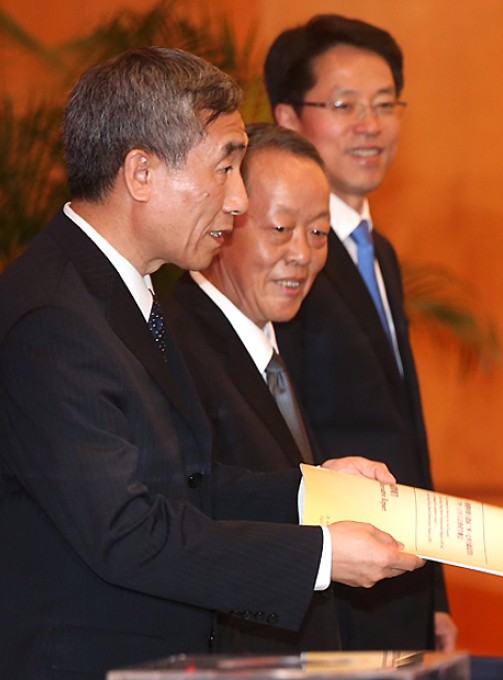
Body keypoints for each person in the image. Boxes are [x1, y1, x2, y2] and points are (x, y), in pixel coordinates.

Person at [0, 47, 424, 679]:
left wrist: (315, 491)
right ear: (141, 173)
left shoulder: (123, 292)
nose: (237, 199)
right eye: (226, 167)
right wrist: (323, 556)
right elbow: (127, 530)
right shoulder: (55, 318)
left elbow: (186, 484)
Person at [264, 15, 455, 651]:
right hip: (329, 588)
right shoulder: (274, 256)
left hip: (396, 583)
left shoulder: (379, 252)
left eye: (384, 105)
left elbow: (403, 431)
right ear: (288, 118)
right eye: (344, 105)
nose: (370, 125)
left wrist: (434, 595)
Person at [162, 123, 341, 652]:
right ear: (225, 223)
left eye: (319, 233)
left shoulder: (284, 346)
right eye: (281, 229)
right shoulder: (172, 343)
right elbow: (193, 512)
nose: (303, 255)